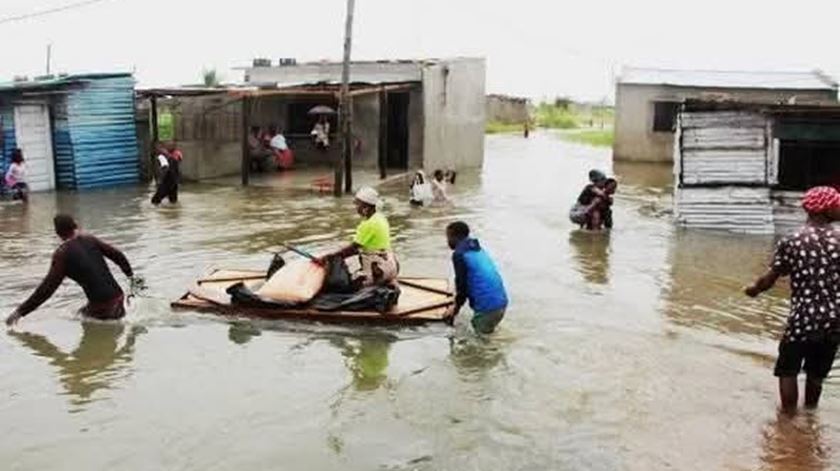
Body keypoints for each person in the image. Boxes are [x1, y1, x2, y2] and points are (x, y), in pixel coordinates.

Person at [744, 186, 840, 412]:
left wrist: (754, 290)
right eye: (837, 204)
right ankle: (809, 416)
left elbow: (771, 278)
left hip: (802, 320)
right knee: (817, 374)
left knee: (788, 370)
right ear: (826, 209)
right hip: (835, 320)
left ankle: (787, 423)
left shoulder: (793, 241)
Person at [6, 215, 139, 326]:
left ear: (57, 233)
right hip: (119, 297)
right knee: (81, 316)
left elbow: (47, 289)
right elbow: (118, 256)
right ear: (75, 225)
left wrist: (19, 312)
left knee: (89, 334)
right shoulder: (89, 239)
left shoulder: (62, 255)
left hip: (102, 308)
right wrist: (131, 277)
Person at [317, 187, 399, 288]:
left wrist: (329, 258)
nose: (356, 208)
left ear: (366, 207)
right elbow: (362, 248)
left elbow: (353, 249)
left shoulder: (368, 224)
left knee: (343, 285)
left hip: (378, 273)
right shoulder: (380, 218)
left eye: (358, 204)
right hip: (392, 269)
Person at [444, 221, 509, 334]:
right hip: (501, 304)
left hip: (487, 310)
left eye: (448, 237)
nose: (447, 241)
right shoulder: (476, 248)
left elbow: (462, 286)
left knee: (478, 347)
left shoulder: (459, 254)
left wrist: (454, 309)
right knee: (486, 338)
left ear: (454, 236)